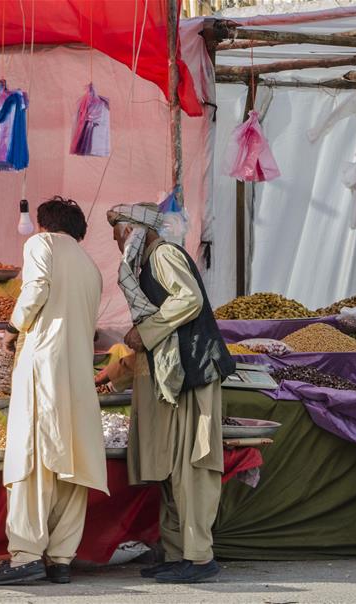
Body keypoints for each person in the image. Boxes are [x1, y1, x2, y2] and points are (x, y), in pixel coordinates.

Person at [102, 202, 235, 584]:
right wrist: (116, 374)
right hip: (172, 380)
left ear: (132, 231)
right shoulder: (149, 264)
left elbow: (188, 300)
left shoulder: (163, 254)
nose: (114, 240)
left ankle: (198, 557)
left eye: (117, 232)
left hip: (193, 375)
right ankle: (178, 554)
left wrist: (144, 333)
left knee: (192, 467)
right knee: (172, 471)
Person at [0, 197, 107, 586]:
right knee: (73, 460)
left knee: (32, 459)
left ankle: (26, 556)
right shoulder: (90, 266)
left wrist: (14, 327)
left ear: (43, 224)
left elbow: (35, 288)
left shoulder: (42, 244)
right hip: (78, 374)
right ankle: (61, 558)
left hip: (43, 365)